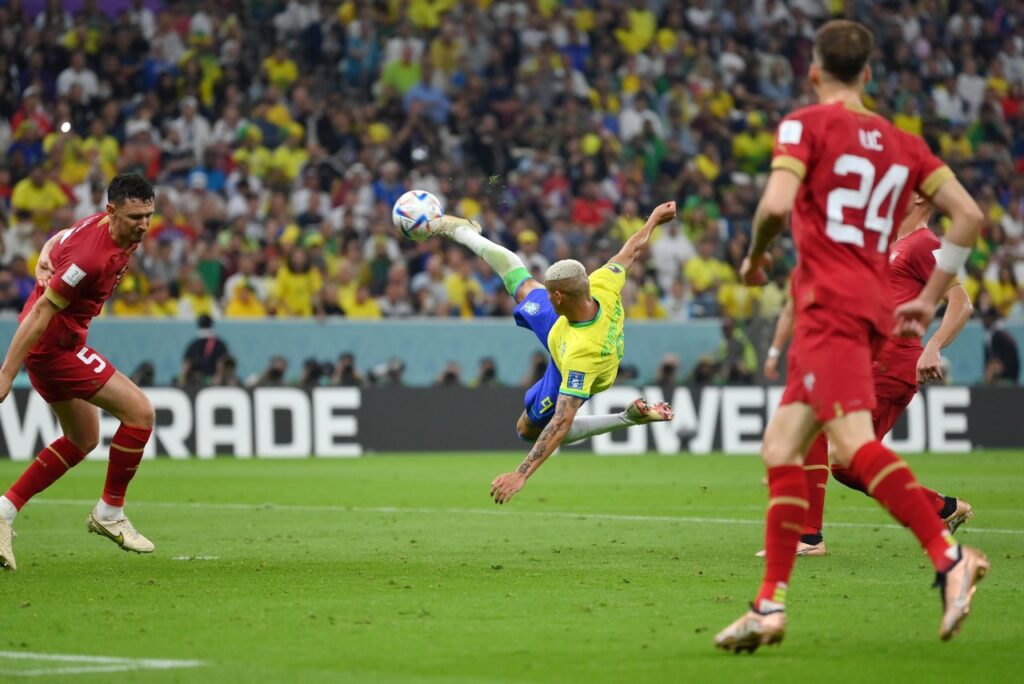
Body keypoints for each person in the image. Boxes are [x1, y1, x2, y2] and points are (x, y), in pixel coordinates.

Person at [714, 20, 987, 652]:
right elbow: (970, 216)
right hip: (864, 311)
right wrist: (924, 300)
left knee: (852, 450)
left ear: (814, 73)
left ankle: (950, 560)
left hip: (829, 305)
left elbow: (777, 207)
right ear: (868, 75)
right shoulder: (905, 145)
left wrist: (755, 259)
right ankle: (767, 607)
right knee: (783, 446)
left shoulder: (804, 124)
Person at [758, 195, 975, 558]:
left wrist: (933, 347)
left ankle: (809, 537)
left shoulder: (926, 244)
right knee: (847, 466)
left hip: (892, 364)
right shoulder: (888, 246)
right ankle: (941, 508)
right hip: (867, 362)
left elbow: (961, 303)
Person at [428, 202, 678, 505]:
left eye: (549, 293)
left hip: (575, 356)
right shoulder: (602, 283)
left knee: (527, 429)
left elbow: (561, 423)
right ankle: (464, 232)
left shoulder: (581, 357)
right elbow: (631, 251)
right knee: (519, 282)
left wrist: (521, 473)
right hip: (565, 324)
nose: (544, 295)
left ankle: (626, 418)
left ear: (558, 296)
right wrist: (653, 219)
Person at [0, 173, 158, 571]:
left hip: (56, 346)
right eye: (135, 216)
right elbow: (40, 313)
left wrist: (44, 253)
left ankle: (3, 512)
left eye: (148, 215)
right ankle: (109, 513)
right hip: (55, 349)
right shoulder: (90, 259)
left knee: (83, 437)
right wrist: (6, 375)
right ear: (112, 212)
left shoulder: (104, 225)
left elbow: (61, 237)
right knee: (140, 414)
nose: (142, 225)